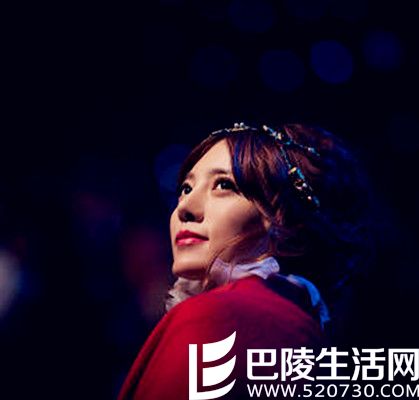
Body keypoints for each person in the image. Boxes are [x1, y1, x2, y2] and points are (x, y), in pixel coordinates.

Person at [118, 122, 374, 400]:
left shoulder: (220, 317)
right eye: (186, 188)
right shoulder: (297, 326)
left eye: (224, 185)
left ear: (281, 217)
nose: (185, 208)